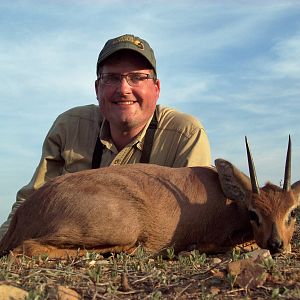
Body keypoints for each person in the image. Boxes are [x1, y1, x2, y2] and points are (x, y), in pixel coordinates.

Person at [0, 34, 211, 239]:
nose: (123, 89)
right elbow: (30, 203)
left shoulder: (186, 134)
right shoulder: (69, 126)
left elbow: (196, 220)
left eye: (137, 78)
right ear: (97, 88)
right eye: (111, 78)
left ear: (156, 89)